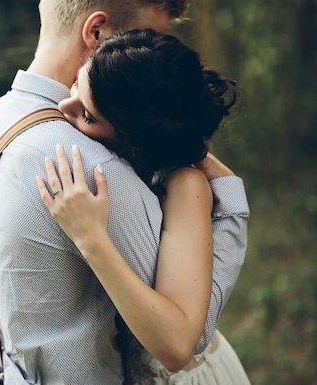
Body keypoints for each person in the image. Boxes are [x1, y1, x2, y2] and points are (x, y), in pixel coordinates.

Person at [0, 0, 248, 384]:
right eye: (147, 35)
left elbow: (179, 331)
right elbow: (189, 333)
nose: (152, 52)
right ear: (97, 32)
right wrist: (230, 198)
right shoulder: (92, 173)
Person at [35, 29, 251, 384]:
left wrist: (90, 237)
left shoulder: (185, 186)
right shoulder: (123, 127)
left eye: (87, 115)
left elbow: (177, 347)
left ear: (133, 139)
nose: (63, 106)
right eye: (75, 83)